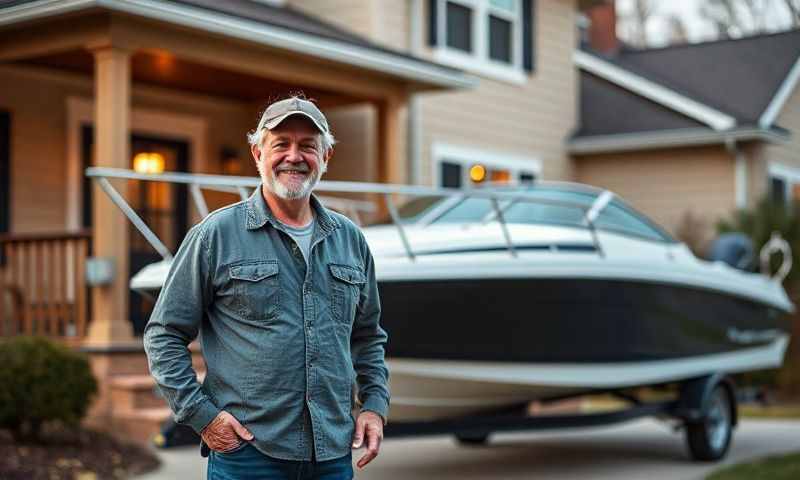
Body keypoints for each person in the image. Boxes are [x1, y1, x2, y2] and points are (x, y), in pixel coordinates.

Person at [143, 95, 389, 480]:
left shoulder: (351, 240)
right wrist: (202, 416)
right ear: (258, 153)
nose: (294, 156)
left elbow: (367, 336)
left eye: (308, 146)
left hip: (331, 454)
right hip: (249, 454)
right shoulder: (215, 235)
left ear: (325, 158)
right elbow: (164, 334)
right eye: (281, 144)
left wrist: (374, 405)